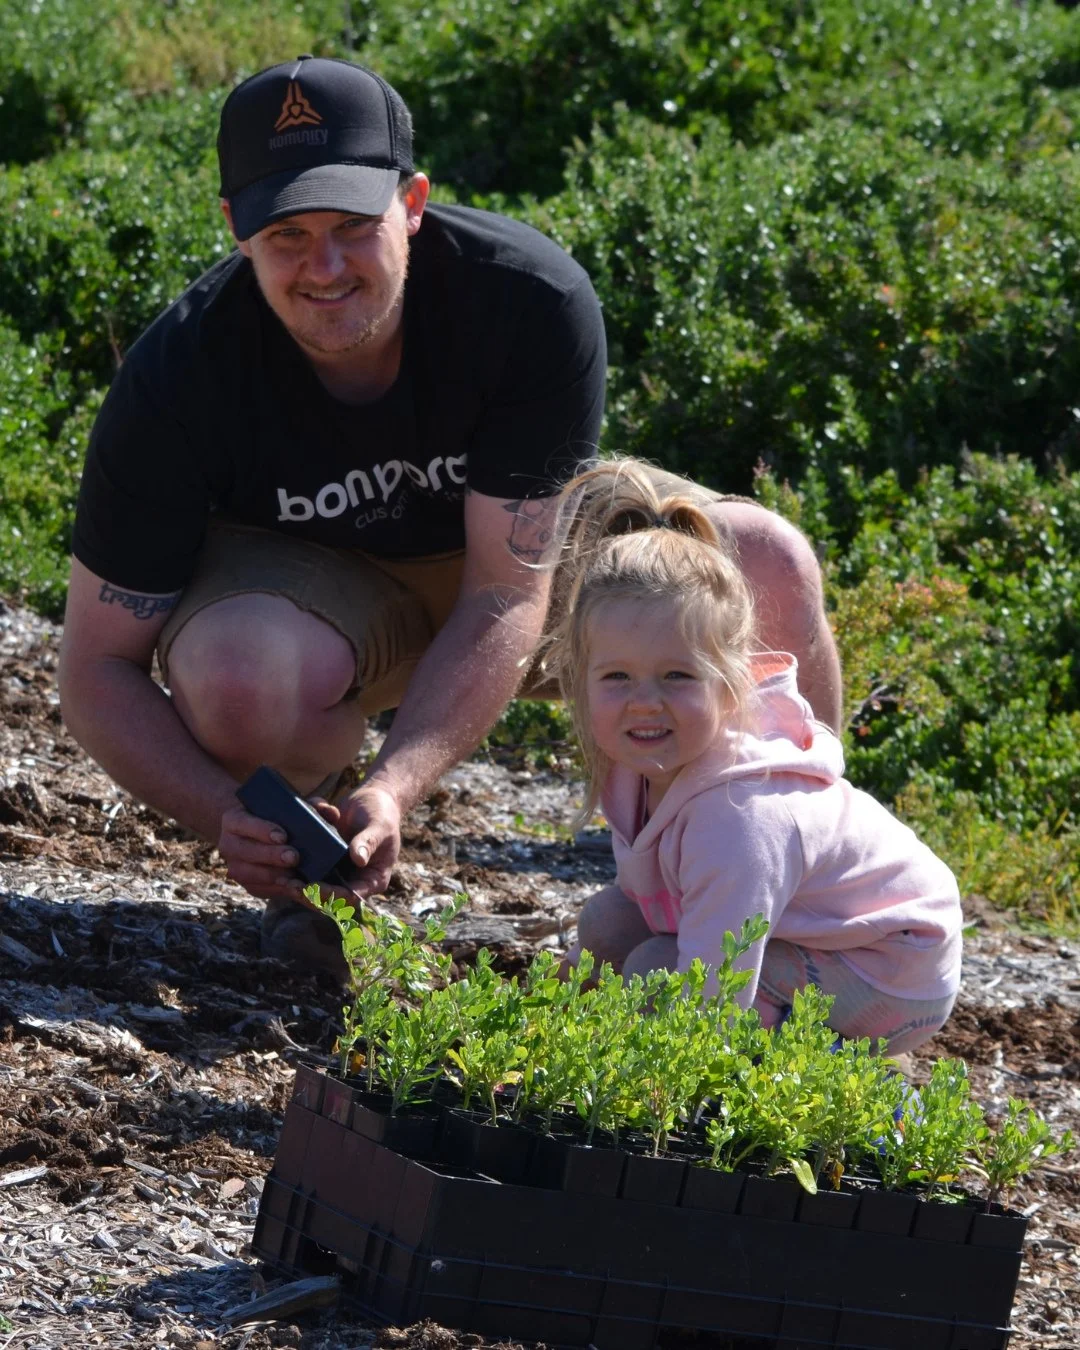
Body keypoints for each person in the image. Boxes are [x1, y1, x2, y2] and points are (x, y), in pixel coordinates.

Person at [57, 55, 842, 977]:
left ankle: (809, 892)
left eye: (355, 226)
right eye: (287, 236)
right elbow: (95, 666)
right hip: (319, 594)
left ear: (414, 201)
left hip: (514, 566)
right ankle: (310, 879)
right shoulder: (176, 380)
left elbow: (507, 587)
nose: (325, 267)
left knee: (768, 566)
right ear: (236, 229)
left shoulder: (527, 301)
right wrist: (222, 814)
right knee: (238, 675)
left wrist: (401, 783)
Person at [550, 460, 961, 1053]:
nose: (645, 704)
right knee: (607, 923)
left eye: (676, 676)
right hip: (821, 933)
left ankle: (850, 1072)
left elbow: (711, 999)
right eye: (617, 677)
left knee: (654, 971)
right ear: (579, 680)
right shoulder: (645, 763)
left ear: (730, 684)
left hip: (891, 971)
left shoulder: (738, 816)